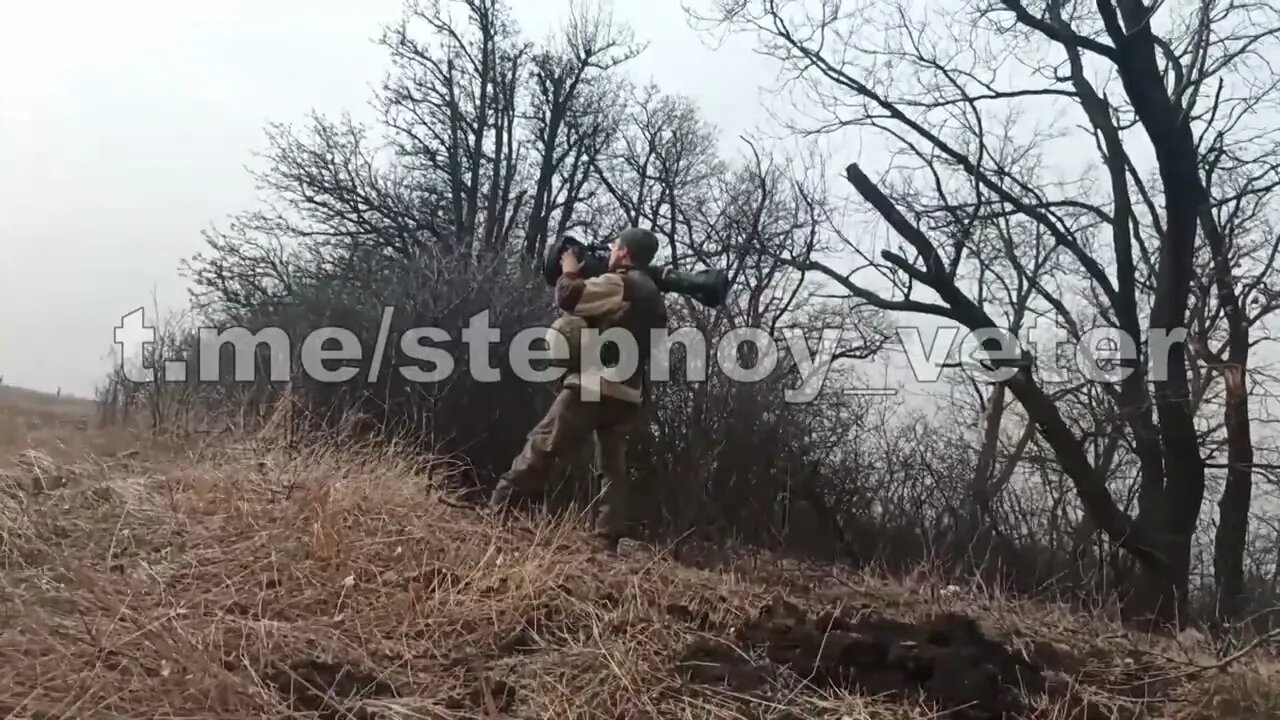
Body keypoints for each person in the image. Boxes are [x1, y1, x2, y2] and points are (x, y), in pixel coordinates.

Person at [487, 227, 668, 551]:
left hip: (594, 385)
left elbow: (569, 296)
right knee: (612, 468)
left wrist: (569, 267)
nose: (610, 252)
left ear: (624, 252)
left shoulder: (621, 284)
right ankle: (606, 536)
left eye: (615, 247)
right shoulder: (652, 292)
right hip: (628, 392)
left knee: (544, 443)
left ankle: (500, 505)